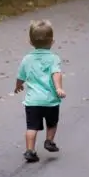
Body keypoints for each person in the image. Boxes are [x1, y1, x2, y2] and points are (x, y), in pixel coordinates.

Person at [14, 19, 66, 162]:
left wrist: (18, 86)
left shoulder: (27, 59)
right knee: (52, 123)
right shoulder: (53, 58)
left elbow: (20, 76)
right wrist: (59, 88)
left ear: (31, 42)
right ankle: (49, 141)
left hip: (33, 102)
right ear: (52, 41)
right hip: (50, 100)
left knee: (31, 127)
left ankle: (30, 150)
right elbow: (56, 73)